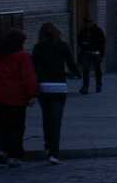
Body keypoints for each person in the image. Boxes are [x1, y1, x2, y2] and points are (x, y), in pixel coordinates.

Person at [0, 28, 38, 167]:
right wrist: (32, 94)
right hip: (17, 96)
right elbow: (28, 77)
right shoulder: (22, 56)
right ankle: (14, 156)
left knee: (4, 123)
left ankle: (0, 149)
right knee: (17, 126)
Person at [31, 22, 80, 164]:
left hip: (44, 86)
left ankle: (47, 145)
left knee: (46, 119)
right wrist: (75, 73)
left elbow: (33, 66)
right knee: (56, 120)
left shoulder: (38, 47)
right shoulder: (63, 46)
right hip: (59, 86)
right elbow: (71, 64)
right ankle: (54, 153)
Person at [76, 18, 106, 95]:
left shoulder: (98, 31)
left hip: (96, 53)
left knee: (97, 69)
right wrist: (83, 45)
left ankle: (98, 85)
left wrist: (101, 53)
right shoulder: (83, 31)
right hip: (86, 53)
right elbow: (79, 40)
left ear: (92, 23)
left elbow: (102, 42)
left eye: (89, 23)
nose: (87, 25)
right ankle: (85, 87)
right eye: (86, 23)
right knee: (86, 70)